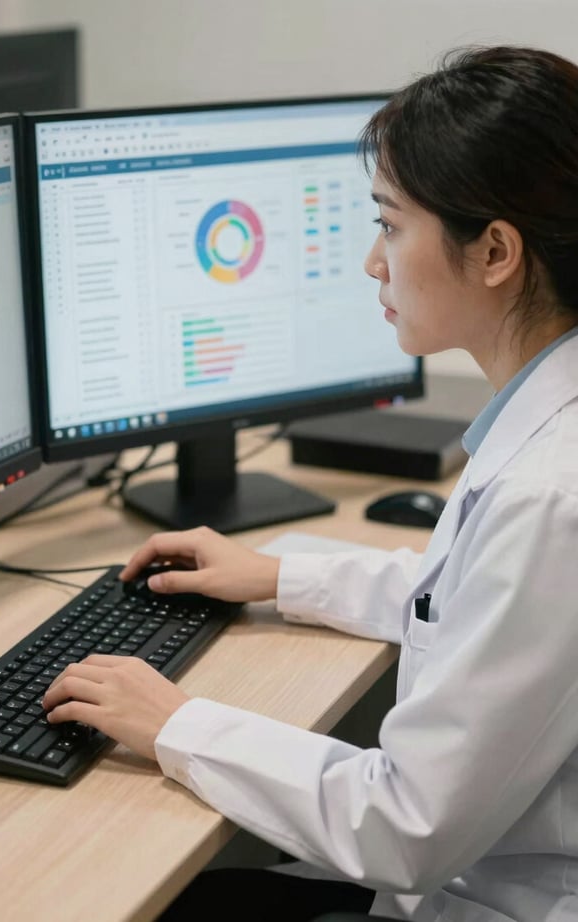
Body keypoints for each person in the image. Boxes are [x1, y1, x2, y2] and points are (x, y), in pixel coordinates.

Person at [43, 45, 578, 922]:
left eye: (391, 225)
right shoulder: (548, 444)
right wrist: (284, 577)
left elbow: (406, 828)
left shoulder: (551, 494)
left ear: (494, 252)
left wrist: (175, 721)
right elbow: (486, 606)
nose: (374, 263)